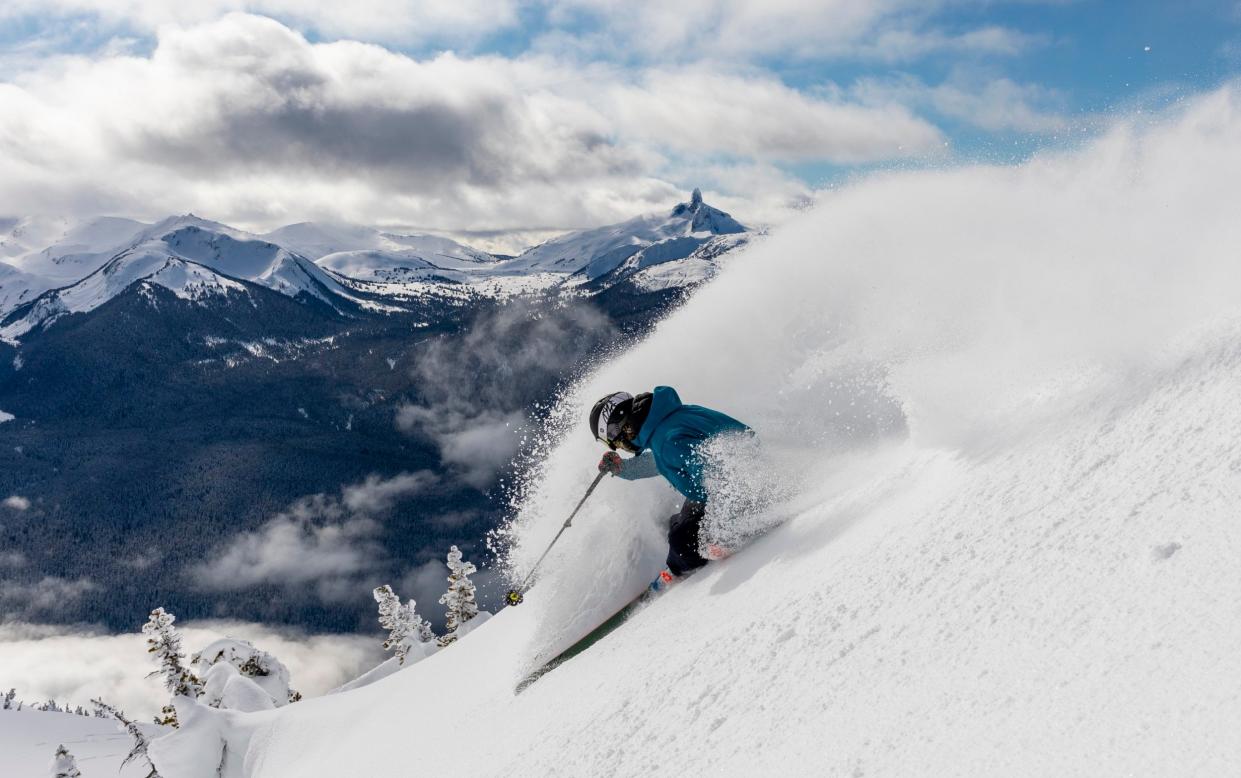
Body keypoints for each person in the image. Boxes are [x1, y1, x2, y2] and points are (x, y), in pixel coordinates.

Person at [589, 386, 751, 591]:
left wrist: (723, 530)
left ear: (619, 429)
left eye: (613, 442)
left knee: (681, 543)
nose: (618, 447)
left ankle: (676, 570)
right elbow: (663, 460)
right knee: (676, 522)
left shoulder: (667, 440)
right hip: (731, 482)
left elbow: (720, 475)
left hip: (743, 490)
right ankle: (681, 546)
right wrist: (624, 469)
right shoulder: (666, 423)